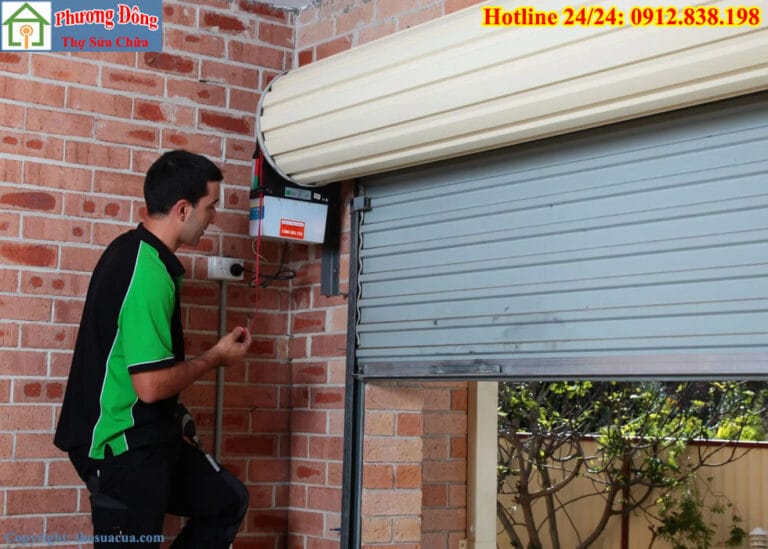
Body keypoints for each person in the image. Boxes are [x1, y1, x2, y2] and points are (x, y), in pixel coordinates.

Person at [54, 150, 252, 548]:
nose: (213, 218)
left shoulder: (138, 254)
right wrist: (215, 357)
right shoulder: (146, 272)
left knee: (226, 500)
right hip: (120, 447)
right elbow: (149, 386)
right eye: (210, 207)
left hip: (151, 438)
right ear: (183, 209)